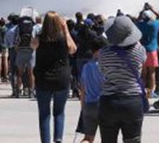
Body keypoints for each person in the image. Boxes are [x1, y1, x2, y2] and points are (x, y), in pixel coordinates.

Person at [98, 14, 148, 143]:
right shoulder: (139, 51)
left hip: (109, 101)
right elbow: (143, 61)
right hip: (132, 101)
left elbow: (103, 71)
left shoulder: (104, 53)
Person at [33, 11, 78, 143]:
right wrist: (65, 30)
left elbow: (32, 46)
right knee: (59, 112)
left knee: (44, 114)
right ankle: (58, 139)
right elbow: (73, 49)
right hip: (61, 79)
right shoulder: (63, 38)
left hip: (43, 79)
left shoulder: (39, 38)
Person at [76, 31, 106, 143]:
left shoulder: (86, 66)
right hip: (103, 104)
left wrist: (83, 107)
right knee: (108, 137)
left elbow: (83, 90)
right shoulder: (104, 67)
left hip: (88, 104)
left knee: (88, 138)